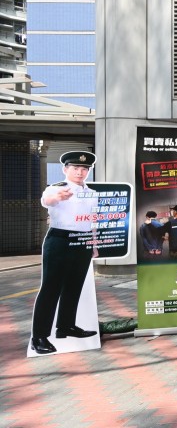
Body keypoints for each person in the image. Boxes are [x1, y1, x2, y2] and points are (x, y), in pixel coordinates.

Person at [30, 151, 100, 354]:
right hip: (59, 240)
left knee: (74, 286)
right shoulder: (56, 188)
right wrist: (56, 198)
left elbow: (93, 219)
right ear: (65, 169)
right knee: (51, 288)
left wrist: (93, 243)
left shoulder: (92, 193)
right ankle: (39, 337)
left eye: (84, 169)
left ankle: (66, 326)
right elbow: (47, 201)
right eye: (76, 168)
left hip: (83, 241)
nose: (80, 172)